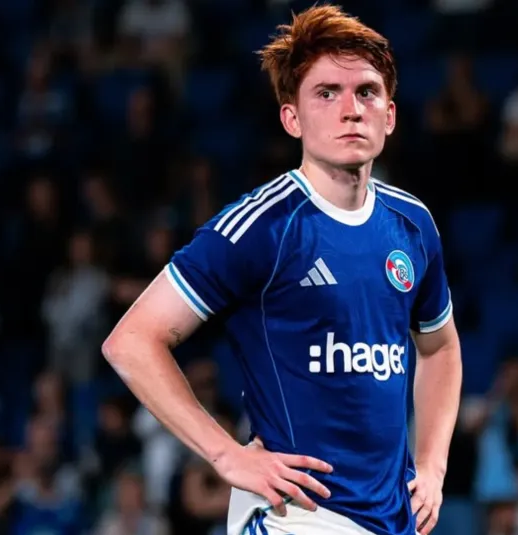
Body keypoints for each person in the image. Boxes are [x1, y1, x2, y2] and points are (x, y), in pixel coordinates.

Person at [101, 5, 462, 535]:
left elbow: (440, 348)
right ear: (292, 119)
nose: (350, 109)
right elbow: (132, 340)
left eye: (366, 92)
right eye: (326, 93)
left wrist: (432, 466)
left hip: (392, 519)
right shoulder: (262, 226)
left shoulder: (412, 223)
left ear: (389, 115)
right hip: (296, 516)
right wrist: (225, 455)